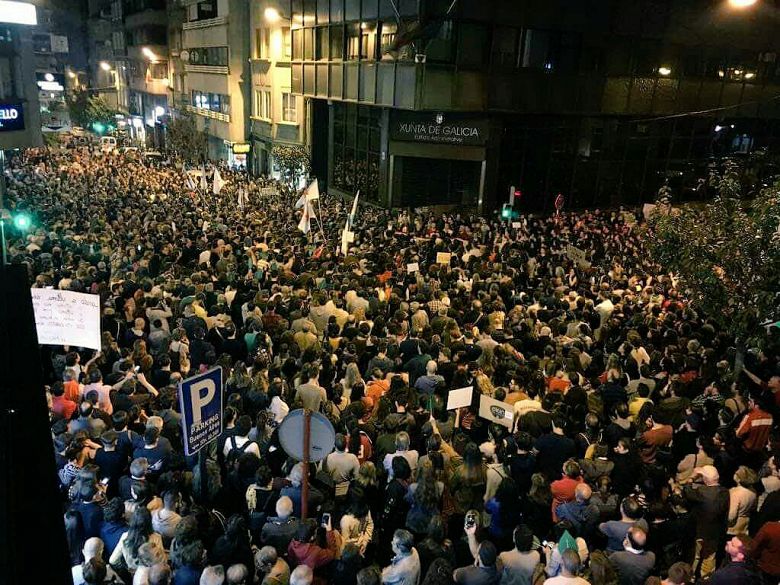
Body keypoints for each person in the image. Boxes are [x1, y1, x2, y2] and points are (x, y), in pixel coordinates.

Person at [676, 465, 729, 579]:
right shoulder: (725, 492)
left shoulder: (701, 492)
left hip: (699, 532)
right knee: (709, 558)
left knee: (695, 556)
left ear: (705, 479)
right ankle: (706, 578)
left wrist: (691, 478)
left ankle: (690, 577)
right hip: (715, 533)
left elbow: (687, 491)